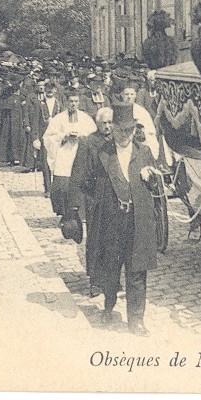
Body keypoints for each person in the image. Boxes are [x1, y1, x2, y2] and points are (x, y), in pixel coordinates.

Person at [81, 101, 160, 336]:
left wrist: (150, 178)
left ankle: (136, 321)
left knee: (137, 272)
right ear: (112, 129)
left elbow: (157, 187)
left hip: (137, 220)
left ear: (135, 130)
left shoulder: (144, 153)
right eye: (120, 130)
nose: (124, 136)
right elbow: (87, 182)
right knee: (110, 268)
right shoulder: (102, 152)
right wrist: (103, 200)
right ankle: (108, 308)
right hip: (111, 220)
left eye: (129, 131)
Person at [70, 106, 114, 290]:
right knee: (96, 238)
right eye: (104, 123)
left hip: (113, 197)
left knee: (113, 239)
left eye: (110, 122)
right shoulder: (88, 143)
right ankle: (96, 281)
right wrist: (76, 204)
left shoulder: (117, 142)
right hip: (94, 198)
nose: (107, 127)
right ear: (98, 124)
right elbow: (78, 174)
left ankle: (112, 280)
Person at [43, 89, 97, 217]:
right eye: (71, 101)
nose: (73, 104)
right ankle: (64, 212)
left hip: (80, 153)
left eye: (76, 101)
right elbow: (48, 137)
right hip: (64, 154)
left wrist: (81, 137)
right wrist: (64, 137)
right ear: (66, 102)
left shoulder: (86, 118)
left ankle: (81, 213)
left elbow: (93, 136)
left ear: (79, 103)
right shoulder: (59, 118)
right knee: (63, 185)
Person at [119, 78, 160, 157]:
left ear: (135, 95)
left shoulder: (141, 111)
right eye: (126, 94)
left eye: (131, 94)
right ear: (122, 95)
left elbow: (150, 131)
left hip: (139, 142)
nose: (129, 97)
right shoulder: (118, 109)